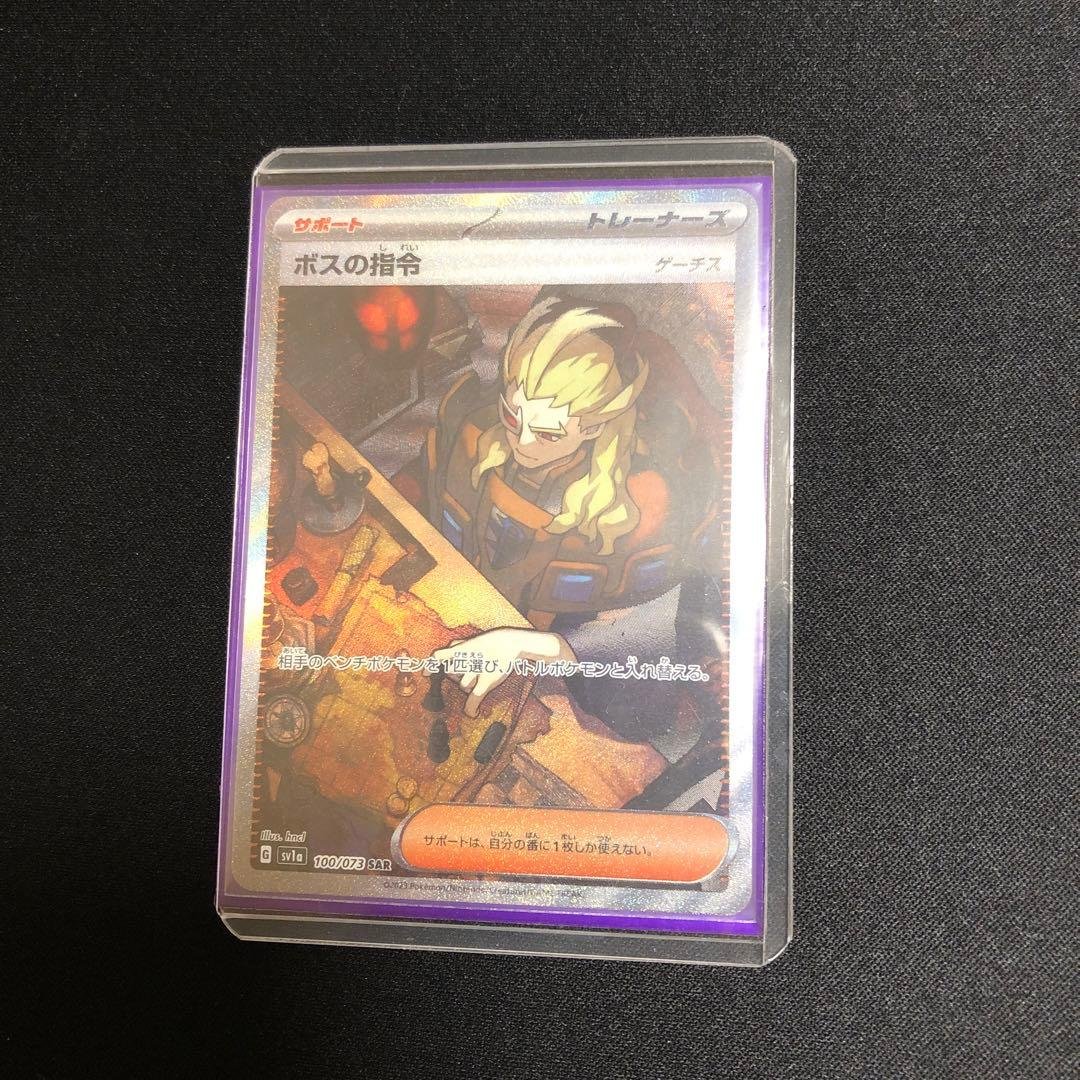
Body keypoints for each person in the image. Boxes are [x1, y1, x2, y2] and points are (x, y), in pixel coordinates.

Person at [392, 297, 728, 800]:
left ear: (593, 425)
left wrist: (541, 648)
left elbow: (654, 643)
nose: (523, 441)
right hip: (449, 621)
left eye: (548, 432)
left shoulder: (645, 506)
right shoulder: (474, 430)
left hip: (564, 696)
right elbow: (420, 492)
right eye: (513, 416)